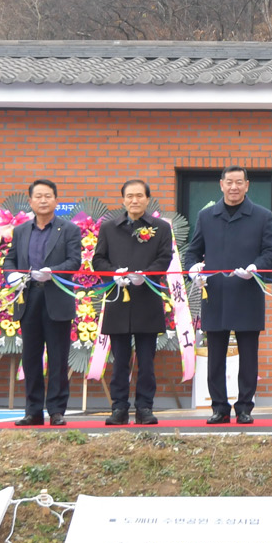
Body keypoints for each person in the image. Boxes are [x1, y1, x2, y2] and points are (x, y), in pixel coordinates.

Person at [185, 165, 272, 425]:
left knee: (248, 356)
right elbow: (193, 252)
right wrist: (193, 270)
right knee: (215, 356)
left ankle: (245, 407)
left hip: (248, 293)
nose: (234, 187)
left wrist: (256, 268)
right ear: (221, 184)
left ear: (247, 185)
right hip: (215, 294)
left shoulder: (262, 216)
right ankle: (219, 408)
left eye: (239, 182)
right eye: (229, 182)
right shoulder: (206, 216)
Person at [92, 179, 175, 426]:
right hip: (118, 300)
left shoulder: (161, 227)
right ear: (123, 200)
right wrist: (114, 274)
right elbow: (98, 260)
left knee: (146, 361)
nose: (134, 200)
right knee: (119, 361)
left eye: (139, 196)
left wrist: (146, 276)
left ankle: (144, 408)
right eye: (130, 196)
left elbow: (165, 258)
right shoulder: (109, 228)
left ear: (147, 199)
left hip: (147, 299)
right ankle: (118, 408)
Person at [4, 178, 83, 427]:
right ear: (30, 201)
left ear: (56, 200)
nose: (43, 200)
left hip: (56, 297)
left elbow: (75, 261)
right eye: (38, 196)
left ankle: (57, 411)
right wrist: (11, 274)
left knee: (58, 358)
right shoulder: (21, 231)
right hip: (28, 298)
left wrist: (53, 272)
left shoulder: (69, 229)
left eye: (48, 196)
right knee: (30, 358)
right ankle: (33, 411)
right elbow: (10, 259)